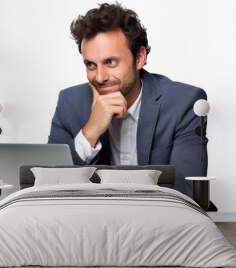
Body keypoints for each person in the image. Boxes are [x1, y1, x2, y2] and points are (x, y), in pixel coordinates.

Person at [48, 3, 208, 197]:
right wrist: (90, 131)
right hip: (91, 219)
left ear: (140, 57)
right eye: (91, 65)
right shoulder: (70, 103)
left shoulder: (183, 103)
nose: (99, 77)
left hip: (156, 220)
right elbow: (49, 186)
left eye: (110, 62)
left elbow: (187, 190)